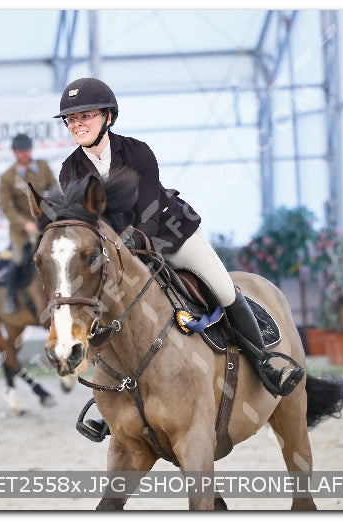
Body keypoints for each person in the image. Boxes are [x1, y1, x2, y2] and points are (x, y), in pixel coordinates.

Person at [54, 78, 304, 437]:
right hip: (122, 255)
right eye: (71, 119)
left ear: (108, 117)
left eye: (85, 116)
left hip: (170, 234)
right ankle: (112, 401)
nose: (77, 124)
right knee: (101, 306)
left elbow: (150, 212)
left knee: (223, 288)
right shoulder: (70, 170)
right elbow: (87, 224)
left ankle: (266, 362)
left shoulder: (137, 152)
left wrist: (129, 245)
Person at [0, 133, 57, 314]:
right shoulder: (8, 177)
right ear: (14, 152)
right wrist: (25, 224)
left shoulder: (43, 167)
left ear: (31, 149)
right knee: (17, 260)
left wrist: (53, 213)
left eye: (27, 150)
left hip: (45, 225)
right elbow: (6, 206)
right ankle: (9, 297)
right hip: (22, 232)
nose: (24, 154)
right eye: (20, 151)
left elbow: (55, 191)